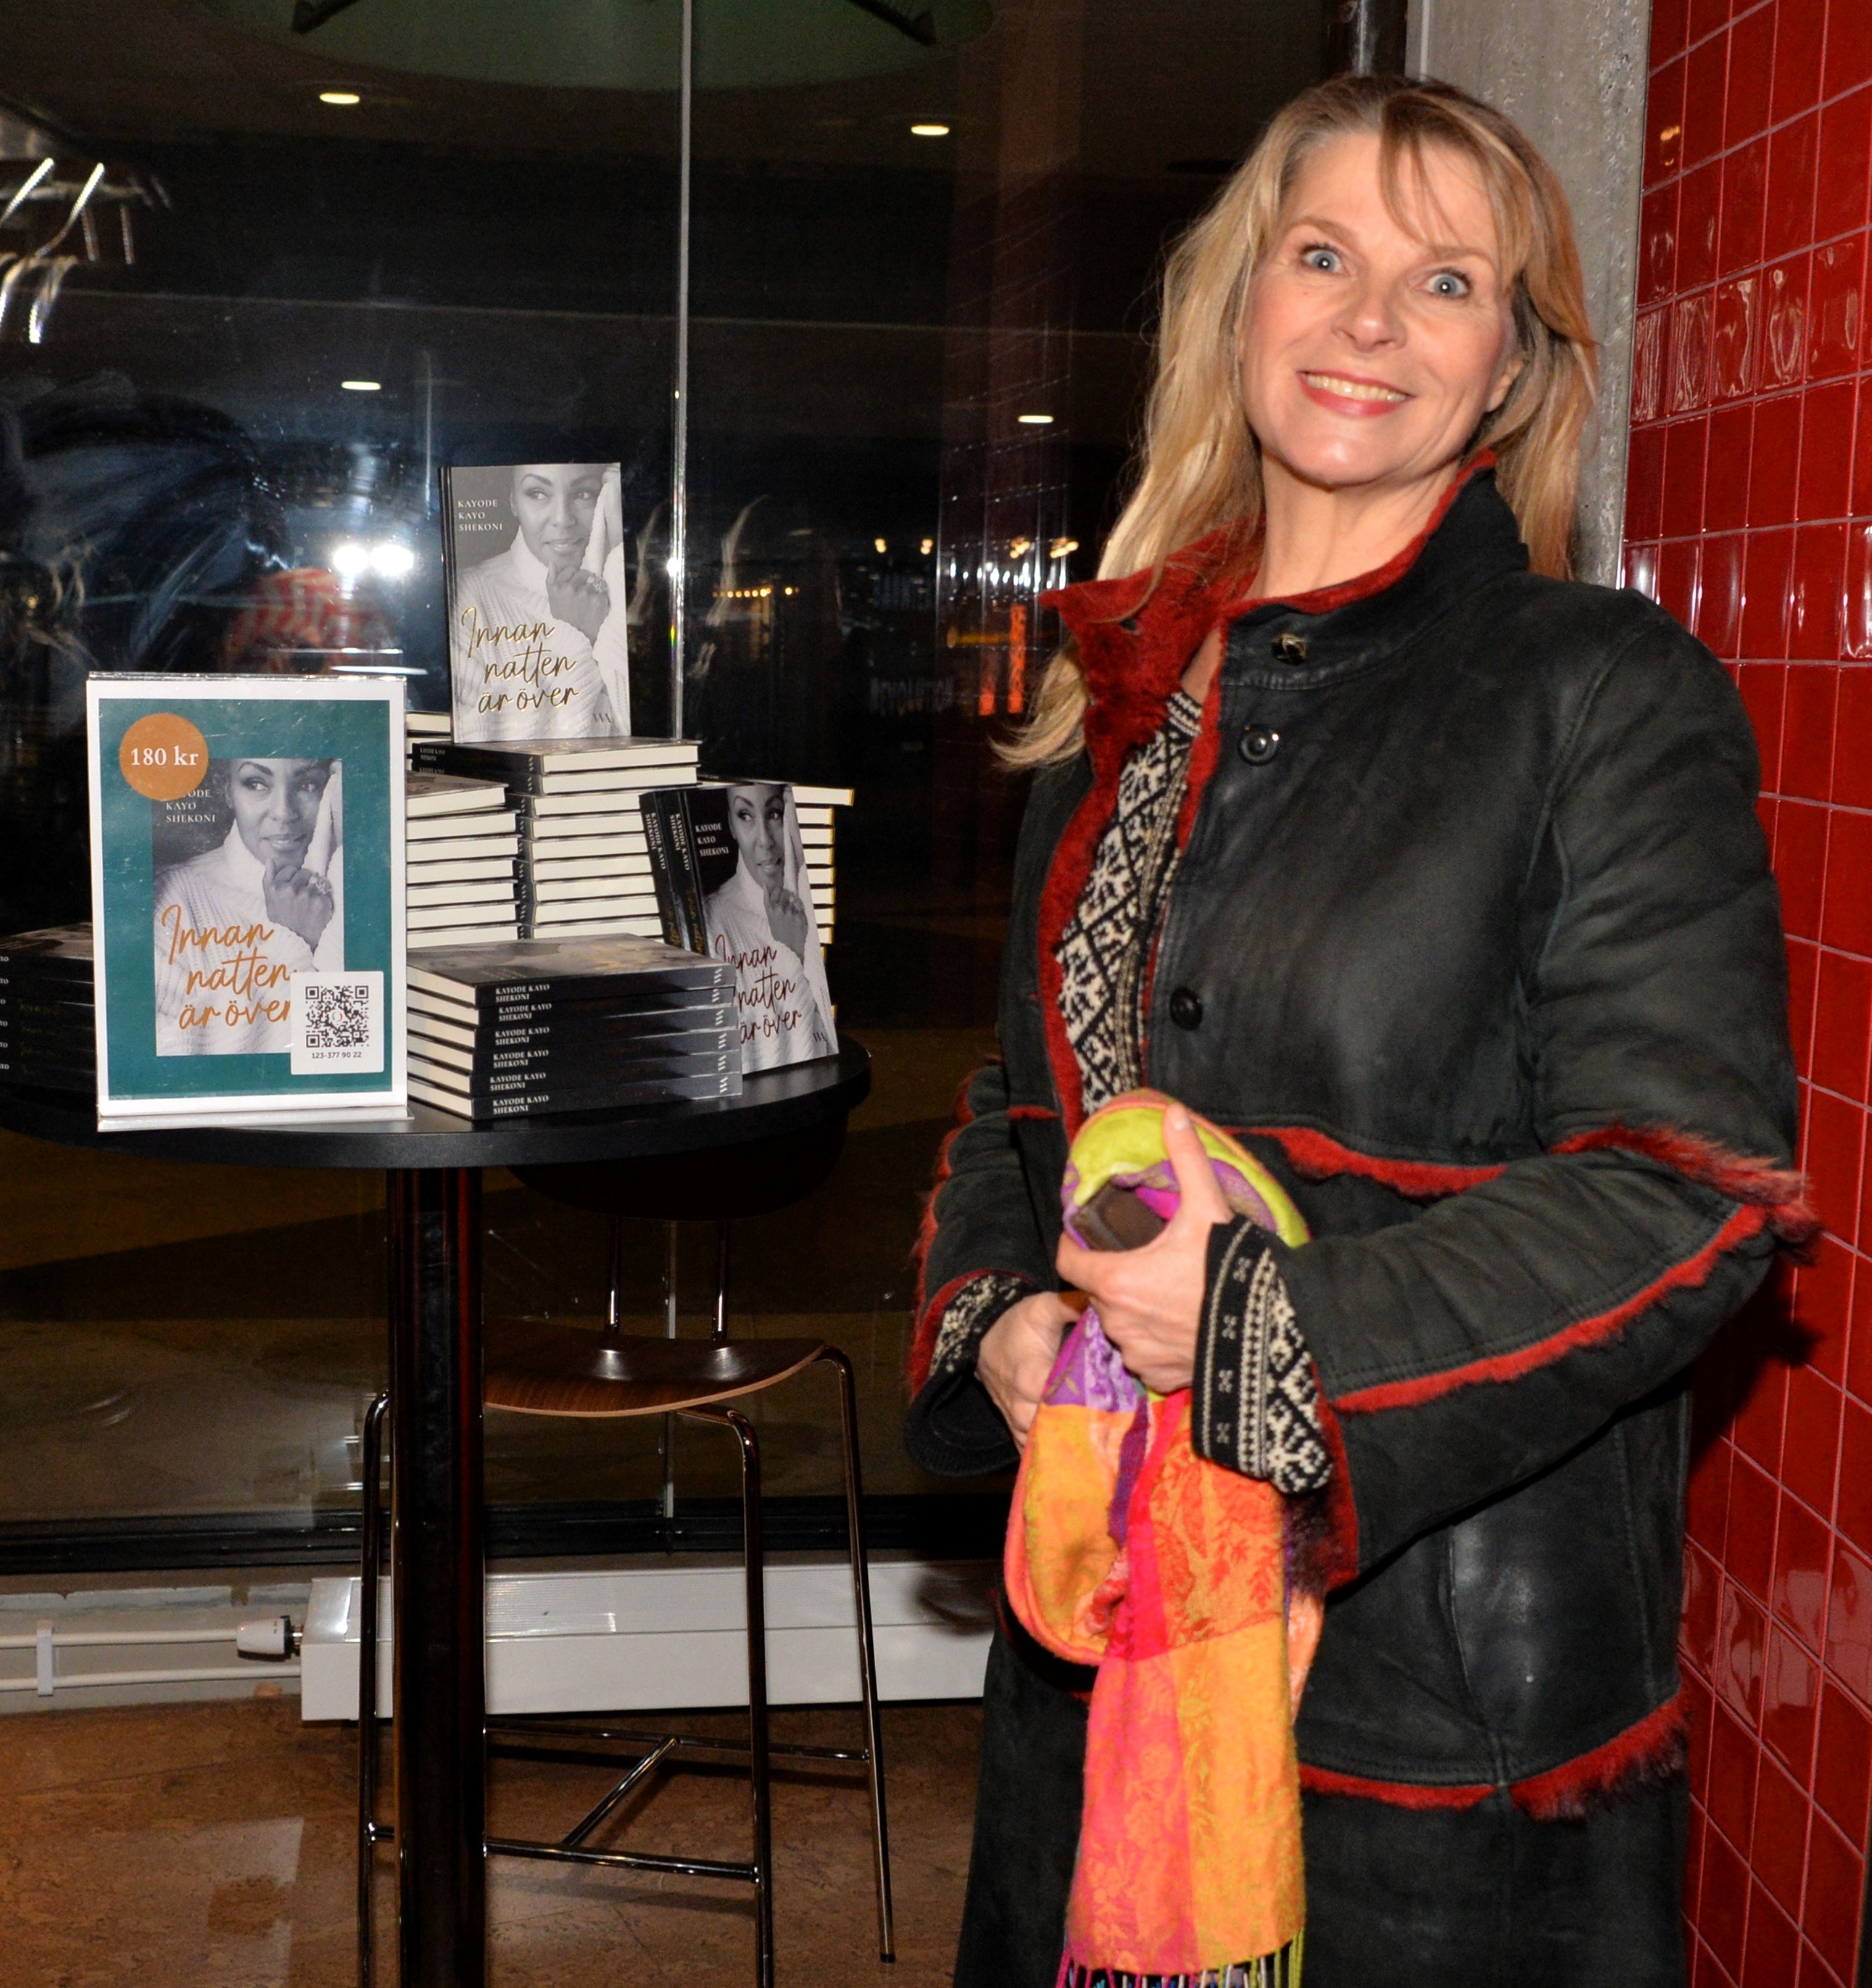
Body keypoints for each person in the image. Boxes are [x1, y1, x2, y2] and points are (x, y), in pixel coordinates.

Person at [903, 73, 1808, 1987]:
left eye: (1445, 282)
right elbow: (1017, 1102)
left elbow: (1687, 1194)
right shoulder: (1121, 701)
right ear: (1241, 302)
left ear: (1508, 371)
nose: (1370, 320)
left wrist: (1262, 1329)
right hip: (1105, 1648)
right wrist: (1001, 1319)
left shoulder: (1601, 694)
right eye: (1321, 257)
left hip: (1429, 1712)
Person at [153, 756, 341, 1056]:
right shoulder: (170, 903)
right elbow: (167, 1055)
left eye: (308, 785)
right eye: (256, 784)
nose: (283, 813)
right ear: (228, 790)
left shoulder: (357, 891)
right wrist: (294, 941)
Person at [451, 461, 630, 741]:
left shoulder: (633, 589)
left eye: (584, 494)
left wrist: (621, 556)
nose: (562, 519)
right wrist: (576, 636)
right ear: (513, 501)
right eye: (537, 493)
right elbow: (483, 748)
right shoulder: (468, 599)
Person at [703, 782, 835, 1070]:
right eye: (745, 815)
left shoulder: (822, 895)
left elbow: (834, 1048)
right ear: (731, 825)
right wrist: (792, 954)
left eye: (775, 814)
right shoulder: (710, 921)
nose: (765, 841)